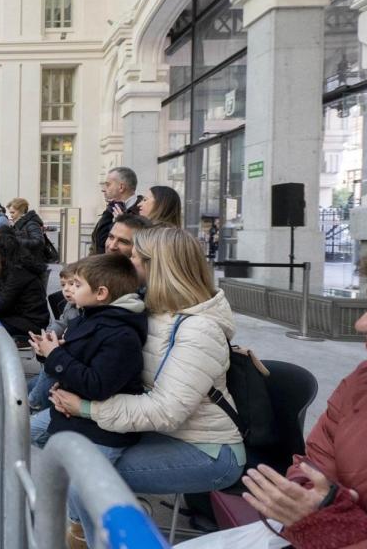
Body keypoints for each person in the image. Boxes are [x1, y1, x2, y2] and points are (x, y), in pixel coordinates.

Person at [198, 235, 367, 549]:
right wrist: (303, 498)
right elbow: (312, 466)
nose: (362, 323)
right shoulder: (366, 382)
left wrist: (336, 529)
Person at [50, 226, 243, 546]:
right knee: (63, 446)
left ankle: (85, 537)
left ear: (159, 268)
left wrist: (85, 407)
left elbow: (166, 410)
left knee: (82, 474)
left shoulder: (198, 329)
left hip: (209, 452)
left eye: (136, 258)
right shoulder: (151, 310)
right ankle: (82, 531)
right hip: (165, 432)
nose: (126, 261)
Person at [28, 254, 146, 479]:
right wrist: (50, 353)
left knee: (82, 493)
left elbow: (97, 385)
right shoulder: (89, 316)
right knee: (32, 433)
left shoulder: (120, 334)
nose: (70, 289)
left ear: (101, 293)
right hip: (74, 415)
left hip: (101, 432)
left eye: (77, 284)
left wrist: (56, 355)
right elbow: (79, 358)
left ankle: (80, 512)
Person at [28, 265, 81, 414]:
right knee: (34, 381)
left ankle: (34, 402)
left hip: (70, 355)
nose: (66, 289)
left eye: (73, 284)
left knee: (50, 367)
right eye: (63, 285)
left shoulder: (83, 310)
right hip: (63, 350)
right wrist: (48, 335)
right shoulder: (70, 306)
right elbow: (61, 322)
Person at [0, 226, 50, 338]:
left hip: (31, 323)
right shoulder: (15, 269)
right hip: (24, 318)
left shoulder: (18, 273)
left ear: (2, 254)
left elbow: (3, 302)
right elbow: (1, 292)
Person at [91, 167, 144, 254]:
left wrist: (123, 222)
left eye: (108, 184)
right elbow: (97, 244)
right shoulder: (110, 209)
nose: (104, 189)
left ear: (121, 187)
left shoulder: (142, 212)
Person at [6, 198, 47, 262]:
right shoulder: (18, 223)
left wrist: (16, 241)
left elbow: (39, 242)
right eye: (10, 212)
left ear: (21, 211)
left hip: (31, 262)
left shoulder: (31, 223)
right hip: (23, 260)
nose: (11, 215)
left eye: (13, 212)